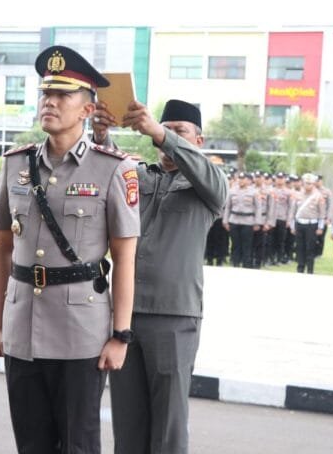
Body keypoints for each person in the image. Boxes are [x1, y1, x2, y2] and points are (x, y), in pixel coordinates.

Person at [0, 45, 140, 454]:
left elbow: (125, 257)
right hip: (23, 324)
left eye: (63, 95)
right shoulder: (16, 164)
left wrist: (121, 335)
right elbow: (3, 249)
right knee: (31, 444)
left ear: (87, 110)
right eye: (46, 94)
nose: (50, 102)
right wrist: (1, 323)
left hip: (82, 333)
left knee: (78, 444)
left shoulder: (113, 169)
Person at [92, 99, 227, 454]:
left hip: (173, 317)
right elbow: (106, 168)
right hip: (126, 315)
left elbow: (209, 177)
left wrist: (159, 132)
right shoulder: (140, 176)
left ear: (198, 141)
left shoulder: (208, 185)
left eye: (179, 131)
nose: (166, 137)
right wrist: (101, 135)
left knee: (168, 423)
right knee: (128, 418)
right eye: (165, 127)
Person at [288, 173, 326, 274]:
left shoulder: (318, 196)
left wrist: (320, 227)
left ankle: (310, 269)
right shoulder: (297, 195)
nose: (307, 185)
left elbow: (322, 214)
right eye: (305, 183)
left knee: (310, 248)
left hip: (311, 225)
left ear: (313, 184)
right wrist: (292, 226)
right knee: (299, 247)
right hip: (300, 223)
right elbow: (293, 211)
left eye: (309, 183)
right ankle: (300, 268)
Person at [223, 172, 260, 268]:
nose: (241, 180)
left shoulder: (254, 192)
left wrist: (257, 222)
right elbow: (228, 207)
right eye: (239, 178)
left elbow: (258, 208)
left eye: (243, 179)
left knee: (246, 245)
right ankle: (235, 263)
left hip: (248, 221)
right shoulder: (232, 191)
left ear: (247, 181)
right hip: (234, 220)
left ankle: (246, 264)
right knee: (235, 244)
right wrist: (225, 221)